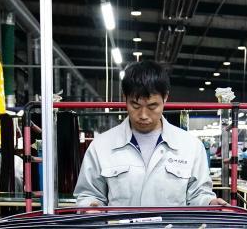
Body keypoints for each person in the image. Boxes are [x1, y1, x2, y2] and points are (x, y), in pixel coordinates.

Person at [74, 60, 227, 207]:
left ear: (165, 97)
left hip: (173, 227)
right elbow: (89, 194)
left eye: (152, 106)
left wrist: (210, 203)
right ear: (124, 97)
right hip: (121, 227)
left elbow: (198, 194)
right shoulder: (101, 146)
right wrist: (90, 206)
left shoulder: (190, 146)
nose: (143, 115)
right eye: (135, 105)